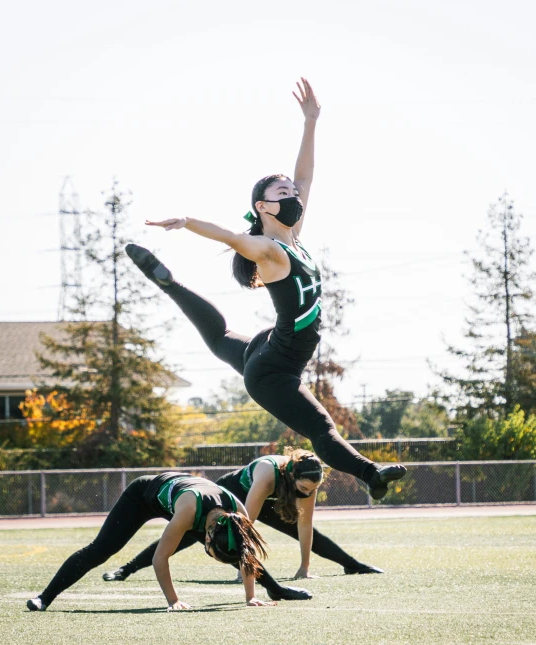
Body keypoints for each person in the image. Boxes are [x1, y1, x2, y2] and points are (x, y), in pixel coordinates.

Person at [126, 78, 406, 500]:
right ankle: (371, 474)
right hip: (275, 370)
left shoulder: (295, 239)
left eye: (292, 192)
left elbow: (306, 176)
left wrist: (311, 122)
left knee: (219, 338)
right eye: (283, 192)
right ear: (263, 206)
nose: (294, 194)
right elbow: (231, 238)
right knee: (321, 428)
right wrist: (187, 221)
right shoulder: (270, 251)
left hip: (270, 348)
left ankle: (167, 282)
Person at [26, 472, 311, 613]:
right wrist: (173, 601)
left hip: (193, 502)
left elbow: (245, 553)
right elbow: (159, 558)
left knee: (238, 547)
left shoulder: (238, 515)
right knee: (102, 550)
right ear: (209, 534)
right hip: (143, 496)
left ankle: (275, 591)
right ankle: (45, 597)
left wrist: (250, 597)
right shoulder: (189, 511)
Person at [104, 450, 382, 583]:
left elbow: (306, 526)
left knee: (307, 532)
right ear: (291, 475)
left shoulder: (305, 483)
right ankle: (126, 569)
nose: (307, 494)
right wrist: (243, 570)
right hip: (233, 494)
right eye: (304, 489)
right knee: (186, 536)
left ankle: (352, 564)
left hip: (271, 498)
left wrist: (304, 568)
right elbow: (246, 522)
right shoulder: (266, 473)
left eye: (312, 491)